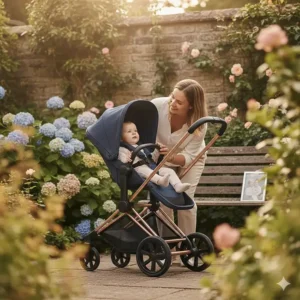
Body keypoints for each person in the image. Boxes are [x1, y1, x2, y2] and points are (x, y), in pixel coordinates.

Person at [151, 79, 208, 238]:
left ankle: (188, 247)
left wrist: (171, 156)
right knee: (164, 200)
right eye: (172, 97)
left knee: (186, 200)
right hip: (161, 159)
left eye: (179, 102)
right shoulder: (156, 106)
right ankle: (169, 246)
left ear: (191, 106)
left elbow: (189, 157)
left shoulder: (200, 125)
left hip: (189, 158)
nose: (173, 103)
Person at [118, 121, 191, 193]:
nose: (134, 133)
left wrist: (157, 150)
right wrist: (126, 158)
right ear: (121, 138)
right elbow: (122, 159)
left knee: (169, 171)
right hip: (137, 170)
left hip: (149, 167)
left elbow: (151, 159)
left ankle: (177, 185)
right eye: (129, 131)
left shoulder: (141, 146)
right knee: (147, 171)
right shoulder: (122, 148)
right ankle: (160, 181)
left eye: (135, 131)